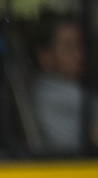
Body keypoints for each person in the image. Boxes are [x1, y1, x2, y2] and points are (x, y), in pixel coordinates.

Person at [31, 12, 98, 152]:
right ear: (44, 56)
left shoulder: (72, 88)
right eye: (69, 48)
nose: (80, 55)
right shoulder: (58, 95)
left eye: (82, 46)